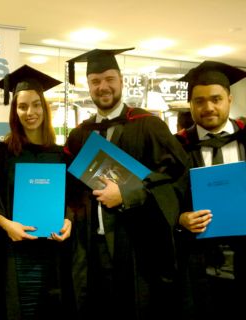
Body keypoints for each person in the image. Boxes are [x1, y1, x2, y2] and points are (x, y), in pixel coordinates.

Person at [65, 48, 190, 320]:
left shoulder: (148, 126)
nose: (103, 87)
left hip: (135, 247)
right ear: (88, 86)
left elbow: (176, 177)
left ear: (121, 80)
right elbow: (69, 189)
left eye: (109, 78)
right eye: (95, 81)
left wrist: (128, 193)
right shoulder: (79, 135)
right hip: (91, 248)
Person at [0, 65, 73, 320]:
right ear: (15, 111)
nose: (30, 112)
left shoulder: (61, 155)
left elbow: (71, 202)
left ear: (45, 108)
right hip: (13, 254)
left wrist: (68, 220)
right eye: (22, 106)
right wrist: (7, 224)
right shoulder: (0, 154)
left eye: (36, 105)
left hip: (52, 254)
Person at [175, 60, 246, 319]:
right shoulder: (176, 147)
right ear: (191, 104)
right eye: (199, 101)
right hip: (196, 261)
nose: (208, 108)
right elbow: (161, 197)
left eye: (216, 99)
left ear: (229, 98)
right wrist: (180, 218)